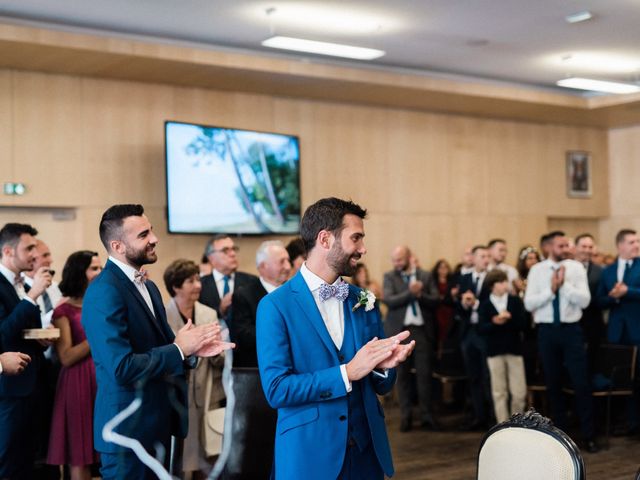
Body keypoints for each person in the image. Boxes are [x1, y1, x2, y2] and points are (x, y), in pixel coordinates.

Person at [257, 197, 415, 480]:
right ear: (325, 239)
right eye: (356, 238)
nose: (363, 249)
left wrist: (384, 366)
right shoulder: (275, 306)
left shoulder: (363, 300)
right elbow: (277, 389)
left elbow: (380, 386)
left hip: (367, 454)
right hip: (309, 456)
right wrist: (346, 373)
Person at [82, 204, 231, 479]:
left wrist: (192, 350)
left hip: (158, 426)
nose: (154, 238)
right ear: (117, 246)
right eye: (143, 235)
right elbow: (121, 367)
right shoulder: (103, 291)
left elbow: (162, 348)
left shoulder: (149, 286)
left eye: (151, 230)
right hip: (127, 432)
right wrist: (179, 349)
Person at [524, 231, 598, 453]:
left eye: (567, 244)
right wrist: (551, 290)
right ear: (548, 248)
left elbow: (584, 301)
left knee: (580, 383)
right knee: (553, 383)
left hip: (571, 330)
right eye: (561, 245)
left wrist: (563, 286)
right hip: (547, 331)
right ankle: (560, 438)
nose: (566, 248)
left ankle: (589, 435)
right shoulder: (537, 270)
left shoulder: (575, 268)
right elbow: (529, 304)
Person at [163, 259, 228, 479]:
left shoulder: (209, 313)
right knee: (178, 458)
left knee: (206, 454)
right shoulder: (162, 315)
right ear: (176, 286)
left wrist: (219, 352)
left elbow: (221, 361)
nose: (198, 285)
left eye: (198, 279)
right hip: (175, 395)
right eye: (191, 281)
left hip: (207, 392)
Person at [0, 223, 55, 479]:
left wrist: (39, 338)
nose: (35, 254)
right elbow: (3, 334)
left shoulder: (18, 283)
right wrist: (32, 296)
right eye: (29, 248)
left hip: (33, 385)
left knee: (27, 462)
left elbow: (20, 331)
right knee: (9, 462)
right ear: (9, 252)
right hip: (9, 390)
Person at [47, 250, 103, 480]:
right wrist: (98, 335)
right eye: (94, 268)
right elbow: (67, 356)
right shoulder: (63, 310)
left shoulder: (101, 302)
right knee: (80, 450)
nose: (99, 273)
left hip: (102, 378)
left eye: (101, 268)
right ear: (80, 273)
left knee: (102, 446)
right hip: (78, 382)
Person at [384, 245, 439, 432]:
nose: (396, 263)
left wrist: (421, 294)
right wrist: (411, 293)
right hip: (399, 332)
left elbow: (436, 300)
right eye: (394, 260)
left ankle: (427, 416)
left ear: (408, 257)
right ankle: (406, 416)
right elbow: (389, 300)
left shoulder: (425, 275)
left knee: (424, 375)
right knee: (402, 376)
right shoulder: (390, 277)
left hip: (421, 331)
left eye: (399, 259)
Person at [21, 238, 63, 480]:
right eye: (43, 256)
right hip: (31, 368)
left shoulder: (55, 287)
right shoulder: (21, 289)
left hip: (54, 366)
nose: (49, 261)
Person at [596, 228, 640, 434]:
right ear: (620, 245)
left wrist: (627, 291)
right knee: (619, 378)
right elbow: (599, 299)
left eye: (637, 241)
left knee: (637, 377)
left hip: (637, 329)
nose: (636, 245)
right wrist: (613, 296)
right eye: (632, 242)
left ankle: (635, 423)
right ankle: (621, 421)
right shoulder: (608, 271)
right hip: (616, 332)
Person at [230, 240, 291, 368]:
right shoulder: (244, 295)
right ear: (263, 267)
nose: (288, 267)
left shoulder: (293, 292)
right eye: (282, 262)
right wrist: (283, 330)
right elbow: (243, 336)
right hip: (257, 369)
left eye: (288, 260)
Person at [478, 269, 527, 423]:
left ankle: (516, 422)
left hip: (514, 349)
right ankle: (502, 425)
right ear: (492, 285)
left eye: (505, 281)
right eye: (501, 282)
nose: (505, 284)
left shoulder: (515, 301)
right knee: (499, 392)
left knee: (519, 391)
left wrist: (509, 318)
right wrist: (494, 322)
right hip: (494, 351)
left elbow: (524, 325)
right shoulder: (485, 305)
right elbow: (481, 328)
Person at [456, 245, 492, 430]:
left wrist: (476, 303)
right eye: (482, 256)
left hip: (485, 333)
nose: (486, 259)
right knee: (474, 377)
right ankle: (479, 416)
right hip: (468, 332)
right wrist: (464, 303)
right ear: (474, 258)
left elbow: (493, 305)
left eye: (488, 256)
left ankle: (492, 417)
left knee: (487, 376)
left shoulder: (494, 278)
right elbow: (458, 307)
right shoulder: (465, 278)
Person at [199, 234, 258, 319]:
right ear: (211, 258)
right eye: (225, 250)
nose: (233, 254)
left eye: (234, 249)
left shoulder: (251, 281)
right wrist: (220, 309)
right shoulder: (200, 285)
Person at [574, 233, 605, 375]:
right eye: (583, 246)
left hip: (593, 323)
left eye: (590, 247)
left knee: (591, 362)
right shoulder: (565, 268)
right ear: (575, 247)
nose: (587, 250)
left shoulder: (601, 271)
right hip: (570, 324)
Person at [431, 259, 457, 349]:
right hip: (437, 311)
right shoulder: (433, 281)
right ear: (437, 269)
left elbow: (452, 298)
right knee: (438, 333)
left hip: (449, 310)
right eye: (441, 268)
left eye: (445, 267)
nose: (443, 270)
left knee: (448, 332)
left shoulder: (452, 280)